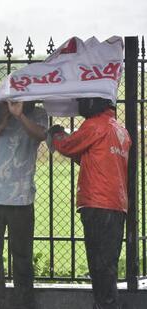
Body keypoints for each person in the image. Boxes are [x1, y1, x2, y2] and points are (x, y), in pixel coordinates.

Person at [47, 97, 130, 309]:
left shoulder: (94, 125)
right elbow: (94, 157)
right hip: (117, 203)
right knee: (108, 262)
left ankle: (105, 305)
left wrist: (56, 134)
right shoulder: (120, 130)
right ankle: (106, 303)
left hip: (97, 201)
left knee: (98, 263)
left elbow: (68, 145)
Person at [0, 100, 48, 309]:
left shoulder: (37, 114)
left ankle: (24, 303)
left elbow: (41, 135)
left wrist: (20, 116)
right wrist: (1, 125)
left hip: (21, 199)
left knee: (22, 256)